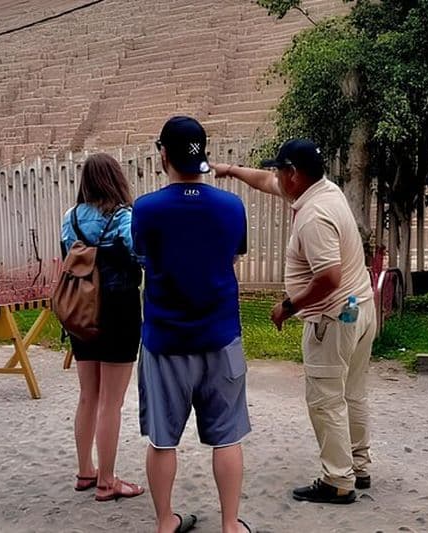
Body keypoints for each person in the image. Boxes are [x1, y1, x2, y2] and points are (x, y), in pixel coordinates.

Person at [212, 139, 377, 505]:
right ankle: (359, 465)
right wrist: (230, 171)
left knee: (326, 399)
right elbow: (264, 182)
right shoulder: (324, 190)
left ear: (294, 175)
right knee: (352, 392)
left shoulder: (314, 216)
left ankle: (337, 480)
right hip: (359, 306)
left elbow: (329, 276)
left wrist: (288, 306)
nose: (274, 177)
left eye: (279, 171)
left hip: (333, 318)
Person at [132, 116, 252, 533]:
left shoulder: (145, 210)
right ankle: (230, 525)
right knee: (228, 437)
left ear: (162, 154)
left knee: (162, 441)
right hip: (220, 337)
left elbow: (145, 260)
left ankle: (166, 522)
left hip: (165, 341)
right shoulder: (232, 207)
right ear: (204, 153)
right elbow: (233, 258)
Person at [60, 152, 145, 502]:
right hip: (118, 311)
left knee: (87, 396)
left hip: (80, 311)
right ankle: (108, 481)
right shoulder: (124, 216)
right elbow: (141, 253)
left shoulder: (70, 217)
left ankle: (86, 470)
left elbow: (69, 255)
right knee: (112, 401)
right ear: (115, 179)